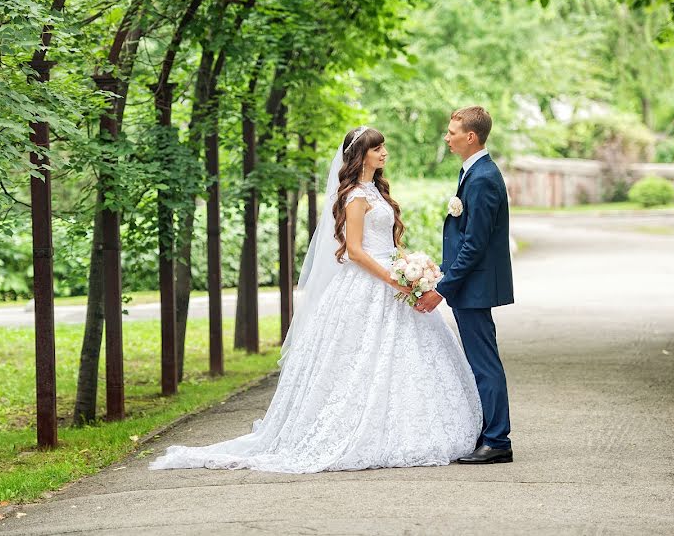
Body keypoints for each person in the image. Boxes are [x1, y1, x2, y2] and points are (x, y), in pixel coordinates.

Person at [149, 126, 482, 473]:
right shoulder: (354, 195)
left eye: (384, 147)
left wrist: (410, 268)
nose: (384, 153)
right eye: (377, 149)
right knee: (357, 360)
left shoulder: (377, 191)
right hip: (369, 283)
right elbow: (354, 251)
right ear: (361, 155)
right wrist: (395, 280)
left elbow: (387, 242)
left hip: (393, 277)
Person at [415, 106, 515, 464]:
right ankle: (489, 433)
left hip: (474, 287)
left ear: (470, 136)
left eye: (452, 131)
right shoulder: (472, 173)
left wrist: (442, 289)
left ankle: (497, 440)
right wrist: (439, 272)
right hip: (467, 285)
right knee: (479, 360)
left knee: (484, 361)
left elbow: (475, 242)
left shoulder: (484, 177)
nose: (447, 136)